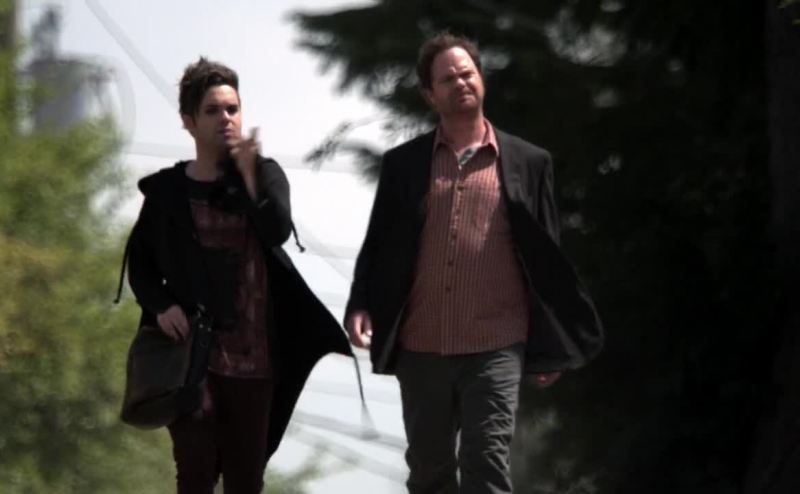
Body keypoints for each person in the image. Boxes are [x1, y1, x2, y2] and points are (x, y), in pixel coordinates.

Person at [345, 33, 604, 493]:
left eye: (467, 73)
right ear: (430, 94)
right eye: (447, 79)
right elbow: (378, 242)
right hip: (422, 344)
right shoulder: (404, 164)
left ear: (481, 79)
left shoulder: (529, 161)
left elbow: (548, 260)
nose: (460, 82)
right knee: (430, 472)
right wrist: (360, 303)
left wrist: (554, 343)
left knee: (486, 461)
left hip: (497, 343)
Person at [123, 57, 351, 493]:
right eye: (213, 110)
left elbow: (277, 230)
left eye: (233, 109)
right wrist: (162, 306)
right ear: (189, 121)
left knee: (246, 480)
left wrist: (248, 178)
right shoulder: (168, 191)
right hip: (191, 358)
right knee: (195, 473)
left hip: (255, 358)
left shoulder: (264, 175)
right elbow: (141, 264)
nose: (226, 118)